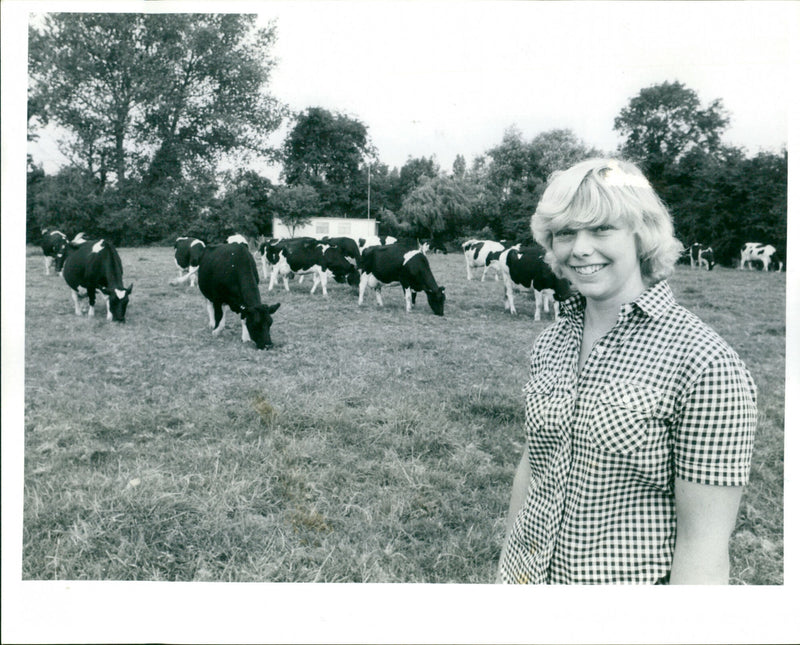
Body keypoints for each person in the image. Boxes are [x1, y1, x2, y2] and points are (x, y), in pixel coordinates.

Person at [497, 158, 757, 584]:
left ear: (642, 234)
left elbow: (704, 546)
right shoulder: (551, 342)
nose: (580, 248)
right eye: (565, 232)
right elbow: (533, 464)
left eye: (601, 228)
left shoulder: (706, 365)